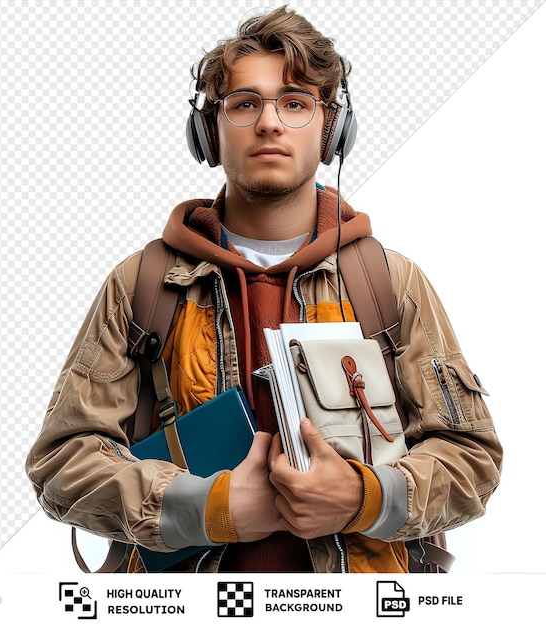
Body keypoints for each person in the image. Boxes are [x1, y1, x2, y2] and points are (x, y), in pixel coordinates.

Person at [25, 5, 502, 573]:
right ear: (208, 132)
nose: (270, 123)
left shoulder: (388, 284)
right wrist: (208, 508)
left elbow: (472, 460)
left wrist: (362, 496)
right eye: (245, 103)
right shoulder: (144, 284)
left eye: (296, 103)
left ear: (332, 131)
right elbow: (61, 463)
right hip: (185, 611)